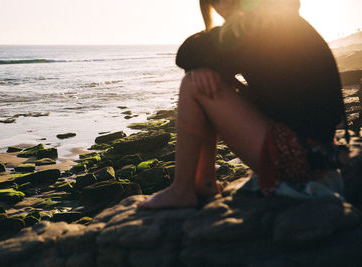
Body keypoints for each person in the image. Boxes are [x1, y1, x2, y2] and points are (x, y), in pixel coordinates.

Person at [139, 0, 347, 208]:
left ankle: (182, 190)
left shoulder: (252, 25)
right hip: (318, 150)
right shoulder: (279, 17)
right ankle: (205, 182)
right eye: (213, 1)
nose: (221, 3)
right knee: (209, 78)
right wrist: (215, 72)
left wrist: (205, 68)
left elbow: (187, 52)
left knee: (194, 83)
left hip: (296, 156)